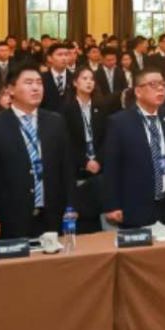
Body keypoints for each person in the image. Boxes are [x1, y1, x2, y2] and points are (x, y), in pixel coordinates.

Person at [0, 63, 72, 241]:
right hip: (11, 216)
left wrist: (71, 207)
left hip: (52, 214)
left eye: (39, 83)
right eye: (28, 83)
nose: (36, 88)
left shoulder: (55, 122)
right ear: (11, 89)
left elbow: (66, 168)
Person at [101, 69, 165, 227]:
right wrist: (112, 205)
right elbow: (112, 167)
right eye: (153, 84)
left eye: (163, 84)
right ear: (138, 91)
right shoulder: (119, 122)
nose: (160, 88)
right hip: (136, 204)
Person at [62, 67, 107, 233]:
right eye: (84, 78)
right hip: (77, 168)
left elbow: (107, 138)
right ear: (75, 82)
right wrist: (85, 161)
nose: (89, 82)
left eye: (91, 79)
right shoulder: (66, 109)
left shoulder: (101, 106)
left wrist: (99, 160)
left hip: (100, 166)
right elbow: (66, 142)